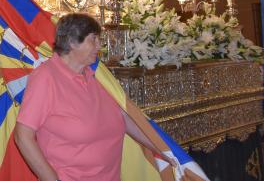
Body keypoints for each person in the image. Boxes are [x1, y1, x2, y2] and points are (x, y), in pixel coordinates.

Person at [14, 13, 172, 181]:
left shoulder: (98, 77)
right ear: (72, 42)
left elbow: (124, 118)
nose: (99, 46)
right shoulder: (46, 77)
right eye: (93, 39)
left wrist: (167, 152)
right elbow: (23, 136)